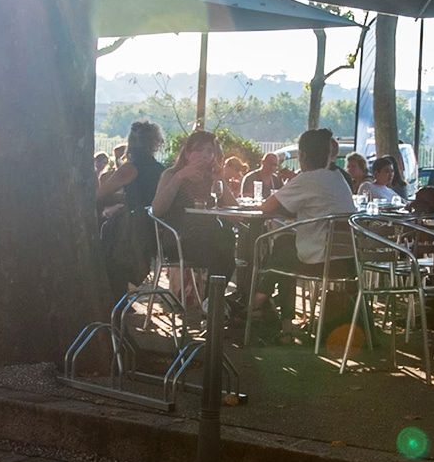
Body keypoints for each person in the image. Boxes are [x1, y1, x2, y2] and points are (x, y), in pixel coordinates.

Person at [253, 128, 355, 326]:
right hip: (348, 262)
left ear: (302, 155)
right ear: (328, 154)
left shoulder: (307, 179)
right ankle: (277, 316)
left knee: (282, 246)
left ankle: (258, 304)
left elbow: (267, 206)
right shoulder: (338, 178)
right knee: (287, 249)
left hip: (321, 263)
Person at [149, 130, 237, 307]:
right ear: (188, 153)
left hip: (209, 238)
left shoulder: (210, 178)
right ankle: (213, 304)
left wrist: (220, 181)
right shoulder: (171, 174)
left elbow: (233, 213)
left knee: (226, 236)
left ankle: (211, 304)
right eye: (200, 150)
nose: (206, 155)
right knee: (222, 244)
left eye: (210, 151)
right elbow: (157, 210)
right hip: (178, 240)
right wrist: (180, 177)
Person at [96, 121, 164, 214]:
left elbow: (100, 194)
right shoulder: (161, 169)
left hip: (136, 221)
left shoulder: (130, 169)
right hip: (157, 220)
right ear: (156, 143)